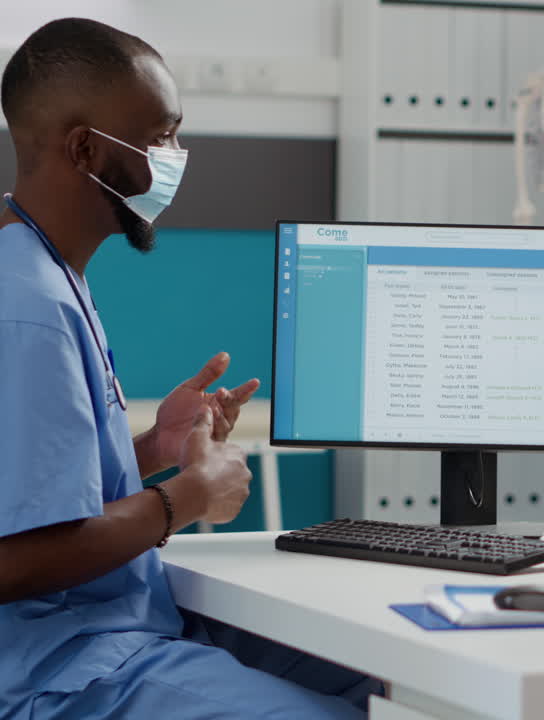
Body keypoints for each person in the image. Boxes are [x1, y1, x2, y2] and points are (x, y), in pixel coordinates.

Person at [0, 18, 376, 718]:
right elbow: (15, 561)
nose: (175, 157)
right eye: (160, 137)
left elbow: (39, 487)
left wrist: (158, 449)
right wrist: (190, 496)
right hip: (57, 673)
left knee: (389, 686)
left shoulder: (45, 269)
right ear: (84, 148)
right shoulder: (26, 305)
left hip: (112, 633)